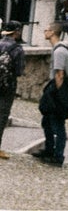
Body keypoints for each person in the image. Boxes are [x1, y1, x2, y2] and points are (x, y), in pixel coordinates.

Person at [0, 21, 22, 158]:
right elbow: (19, 71)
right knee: (1, 117)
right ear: (16, 32)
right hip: (7, 87)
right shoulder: (17, 49)